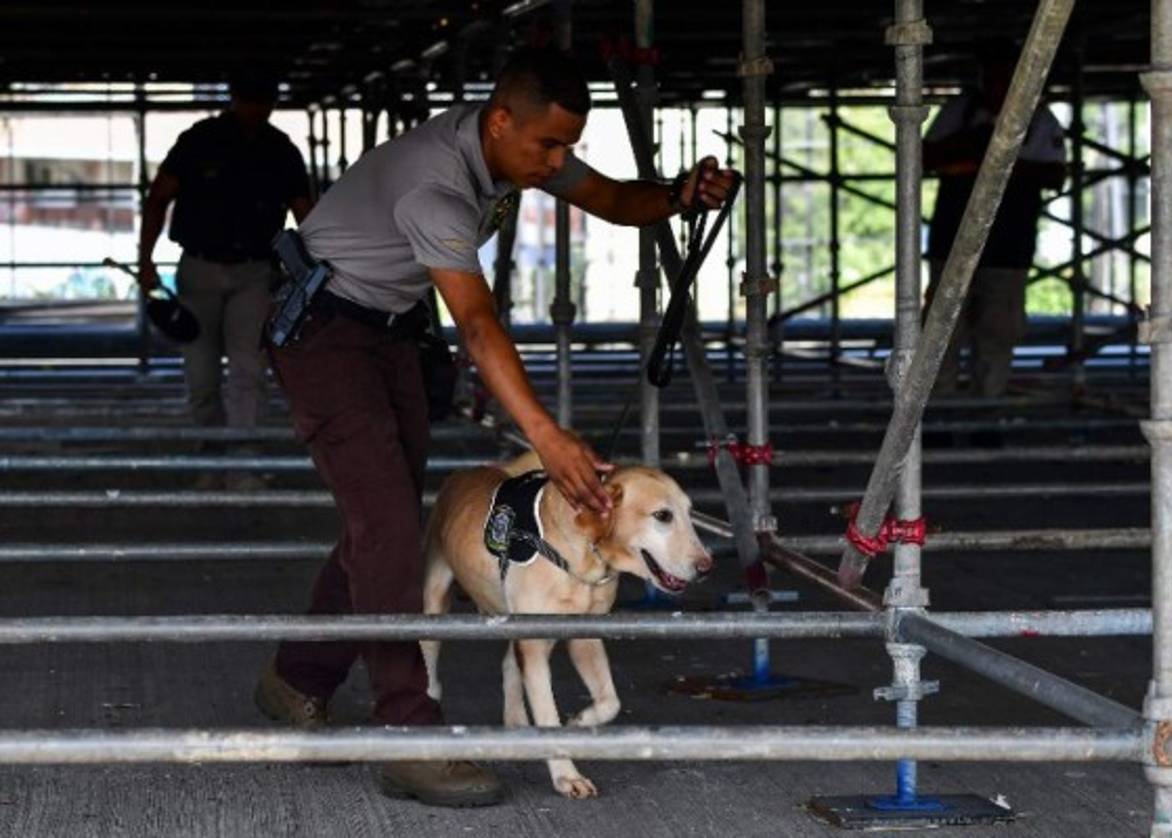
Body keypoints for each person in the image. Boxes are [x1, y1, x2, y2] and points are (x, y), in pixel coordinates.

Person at [250, 46, 736, 807]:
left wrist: (681, 195)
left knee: (379, 523)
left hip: (390, 328)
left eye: (566, 145)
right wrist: (545, 436)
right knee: (385, 524)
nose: (558, 161)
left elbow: (613, 199)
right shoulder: (433, 185)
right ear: (501, 119)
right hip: (326, 336)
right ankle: (408, 735)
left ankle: (296, 679)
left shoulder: (517, 155)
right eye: (547, 145)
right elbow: (477, 325)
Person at [138, 72, 314, 486]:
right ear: (235, 97)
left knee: (247, 369)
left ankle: (242, 462)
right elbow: (159, 197)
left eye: (263, 100)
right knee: (201, 373)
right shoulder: (199, 140)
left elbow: (307, 212)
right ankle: (212, 452)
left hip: (255, 271)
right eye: (251, 99)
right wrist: (144, 258)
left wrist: (316, 266)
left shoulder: (280, 149)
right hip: (200, 267)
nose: (256, 109)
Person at [923, 45, 1067, 397]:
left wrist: (990, 163)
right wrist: (981, 152)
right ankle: (933, 406)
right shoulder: (960, 111)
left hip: (1008, 244)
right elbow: (926, 156)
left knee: (998, 329)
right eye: (994, 75)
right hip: (953, 239)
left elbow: (1053, 174)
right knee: (941, 328)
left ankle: (987, 403)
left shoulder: (1038, 118)